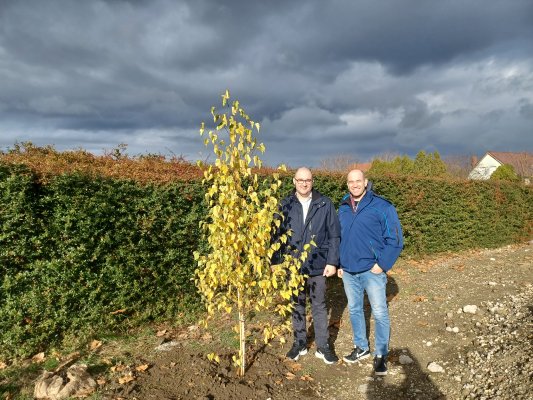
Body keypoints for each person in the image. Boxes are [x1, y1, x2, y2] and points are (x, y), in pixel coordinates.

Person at [337, 169, 403, 375]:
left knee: (380, 311)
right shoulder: (343, 207)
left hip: (372, 270)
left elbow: (395, 239)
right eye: (351, 181)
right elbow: (339, 238)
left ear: (365, 182)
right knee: (355, 310)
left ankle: (381, 354)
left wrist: (382, 264)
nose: (355, 184)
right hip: (348, 270)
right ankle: (361, 348)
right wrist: (340, 263)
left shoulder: (382, 206)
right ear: (347, 184)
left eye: (358, 181)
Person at [273, 167, 341, 364]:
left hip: (318, 265)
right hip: (293, 267)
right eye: (300, 180)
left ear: (312, 182)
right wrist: (277, 261)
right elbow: (276, 235)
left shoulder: (324, 203)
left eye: (308, 180)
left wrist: (332, 261)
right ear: (294, 181)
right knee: (297, 305)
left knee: (319, 306)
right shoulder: (285, 204)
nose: (304, 183)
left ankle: (322, 346)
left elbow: (334, 235)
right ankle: (300, 342)